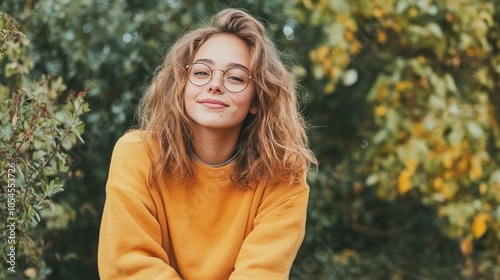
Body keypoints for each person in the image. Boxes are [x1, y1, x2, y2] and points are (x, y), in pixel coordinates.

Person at [98, 8, 317, 280]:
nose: (215, 85)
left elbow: (261, 274)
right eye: (201, 73)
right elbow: (128, 265)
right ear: (181, 86)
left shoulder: (283, 176)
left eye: (235, 77)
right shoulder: (137, 154)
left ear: (257, 100)